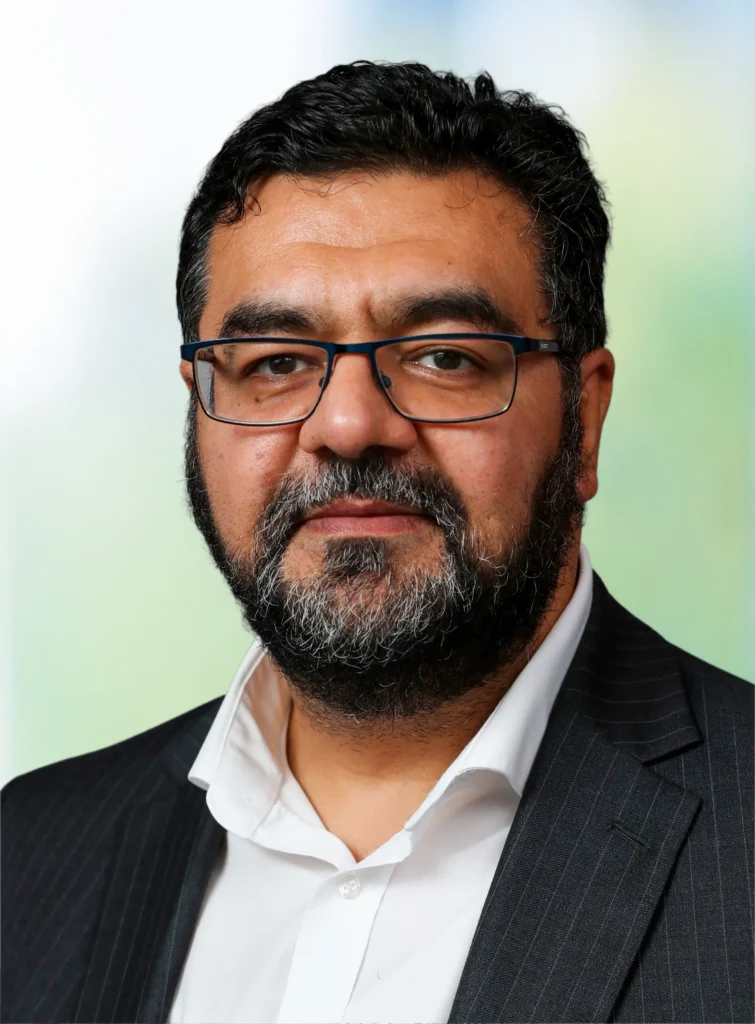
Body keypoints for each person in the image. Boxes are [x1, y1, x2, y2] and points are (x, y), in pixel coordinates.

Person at [2, 60, 752, 1024]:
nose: (349, 425)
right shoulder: (32, 852)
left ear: (585, 417)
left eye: (443, 357)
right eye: (275, 362)